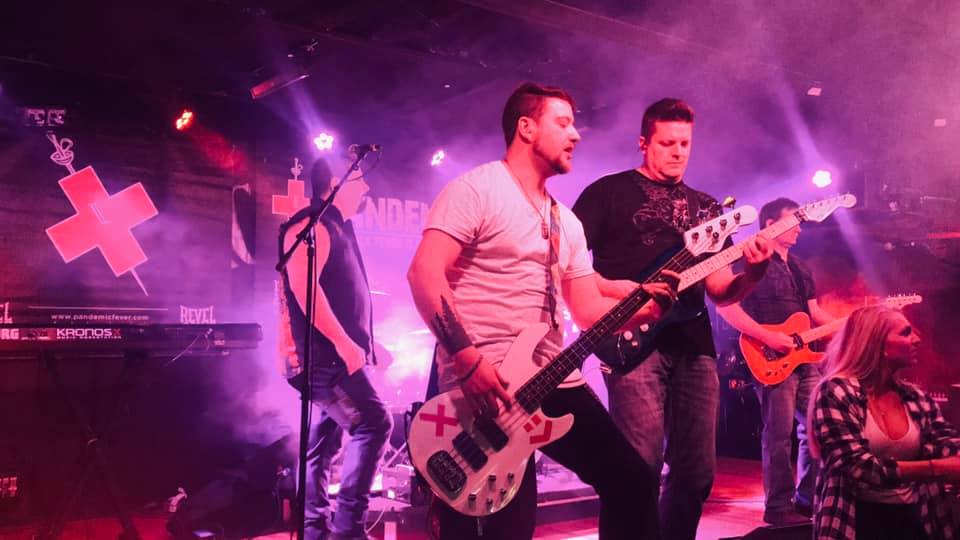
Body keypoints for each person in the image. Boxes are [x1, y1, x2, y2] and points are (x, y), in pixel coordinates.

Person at [407, 82, 677, 540]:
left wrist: (647, 311)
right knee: (503, 527)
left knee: (632, 482)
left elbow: (588, 310)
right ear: (526, 128)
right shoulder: (476, 190)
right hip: (487, 385)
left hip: (552, 378)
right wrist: (467, 360)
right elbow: (423, 274)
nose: (576, 134)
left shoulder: (565, 222)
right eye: (563, 123)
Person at [572, 98, 774, 540]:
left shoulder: (707, 208)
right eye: (667, 143)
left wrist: (753, 274)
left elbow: (720, 289)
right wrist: (622, 291)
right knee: (638, 468)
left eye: (685, 143)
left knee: (697, 474)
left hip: (693, 345)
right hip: (629, 341)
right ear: (643, 143)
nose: (678, 151)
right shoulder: (607, 193)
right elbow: (568, 265)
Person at [278, 157, 392, 540]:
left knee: (322, 443)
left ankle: (315, 529)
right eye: (359, 179)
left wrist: (369, 343)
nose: (367, 187)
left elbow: (343, 299)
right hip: (326, 360)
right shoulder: (311, 226)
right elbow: (304, 289)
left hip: (334, 356)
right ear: (334, 184)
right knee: (375, 424)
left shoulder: (339, 227)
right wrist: (344, 343)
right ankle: (348, 531)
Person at [716, 197, 837, 524]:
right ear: (770, 224)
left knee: (819, 427)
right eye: (793, 220)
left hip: (804, 358)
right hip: (768, 357)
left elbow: (813, 313)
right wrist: (769, 338)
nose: (799, 227)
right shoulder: (748, 261)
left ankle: (806, 499)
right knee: (779, 434)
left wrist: (851, 324)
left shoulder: (800, 267)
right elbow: (725, 307)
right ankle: (778, 507)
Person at [809, 305, 960, 540]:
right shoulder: (835, 391)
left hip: (915, 517)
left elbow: (947, 444)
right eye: (906, 332)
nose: (917, 339)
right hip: (856, 521)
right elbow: (858, 467)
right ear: (877, 344)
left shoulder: (914, 396)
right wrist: (937, 468)